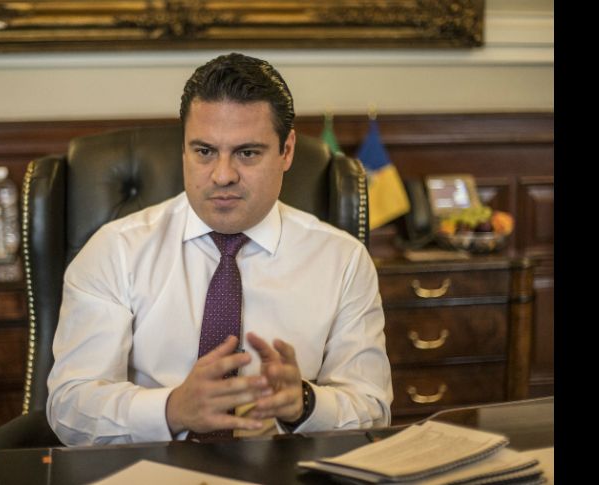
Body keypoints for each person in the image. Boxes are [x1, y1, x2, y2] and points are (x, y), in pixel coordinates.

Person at [46, 52, 392, 446]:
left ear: (287, 151)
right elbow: (69, 407)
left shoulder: (343, 261)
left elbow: (373, 410)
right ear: (184, 149)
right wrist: (171, 409)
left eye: (247, 153)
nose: (223, 175)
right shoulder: (115, 250)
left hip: (283, 467)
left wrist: (305, 405)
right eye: (205, 151)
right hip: (148, 465)